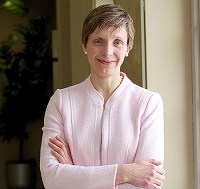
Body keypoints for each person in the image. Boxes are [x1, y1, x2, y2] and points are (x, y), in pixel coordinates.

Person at [40, 4, 165, 189]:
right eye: (98, 41)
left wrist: (74, 171)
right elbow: (52, 179)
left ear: (128, 47)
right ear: (84, 45)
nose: (107, 52)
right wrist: (125, 172)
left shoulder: (148, 103)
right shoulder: (61, 102)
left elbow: (147, 183)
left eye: (117, 42)